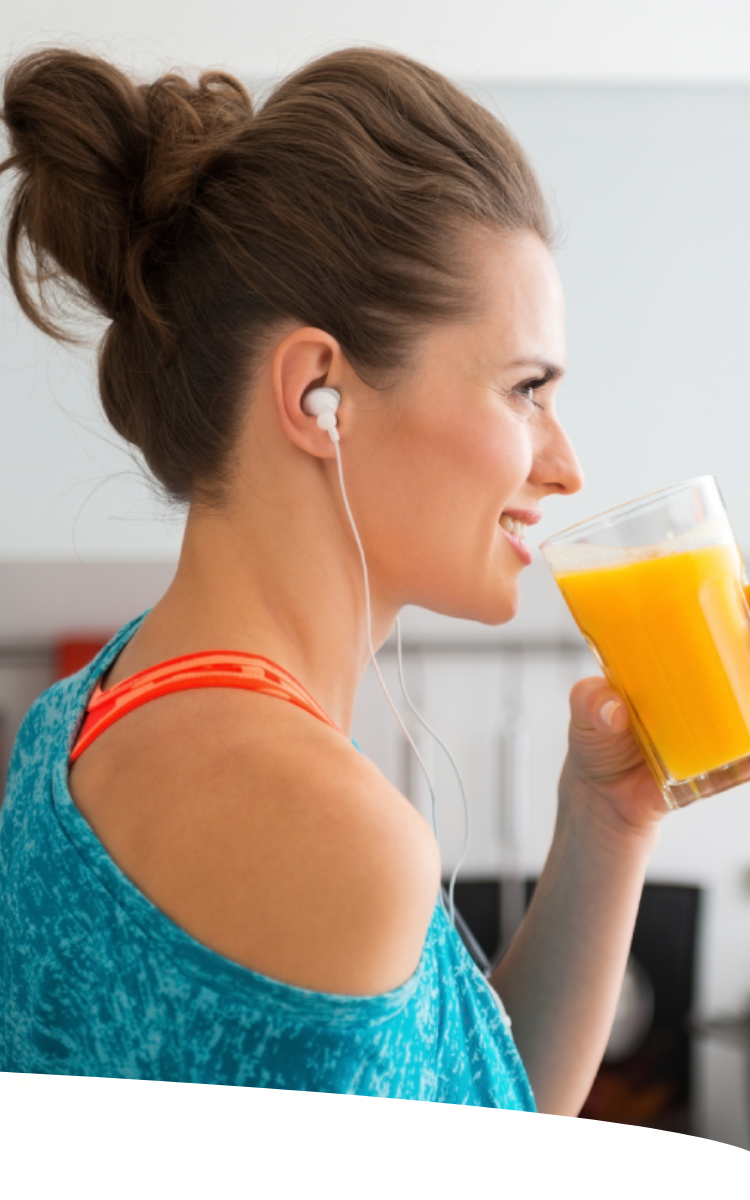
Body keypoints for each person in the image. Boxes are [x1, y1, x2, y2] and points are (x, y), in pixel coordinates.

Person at [0, 46, 667, 1111]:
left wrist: (610, 816)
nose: (564, 463)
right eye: (525, 389)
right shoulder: (335, 835)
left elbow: (480, 1118)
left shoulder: (75, 723)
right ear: (319, 393)